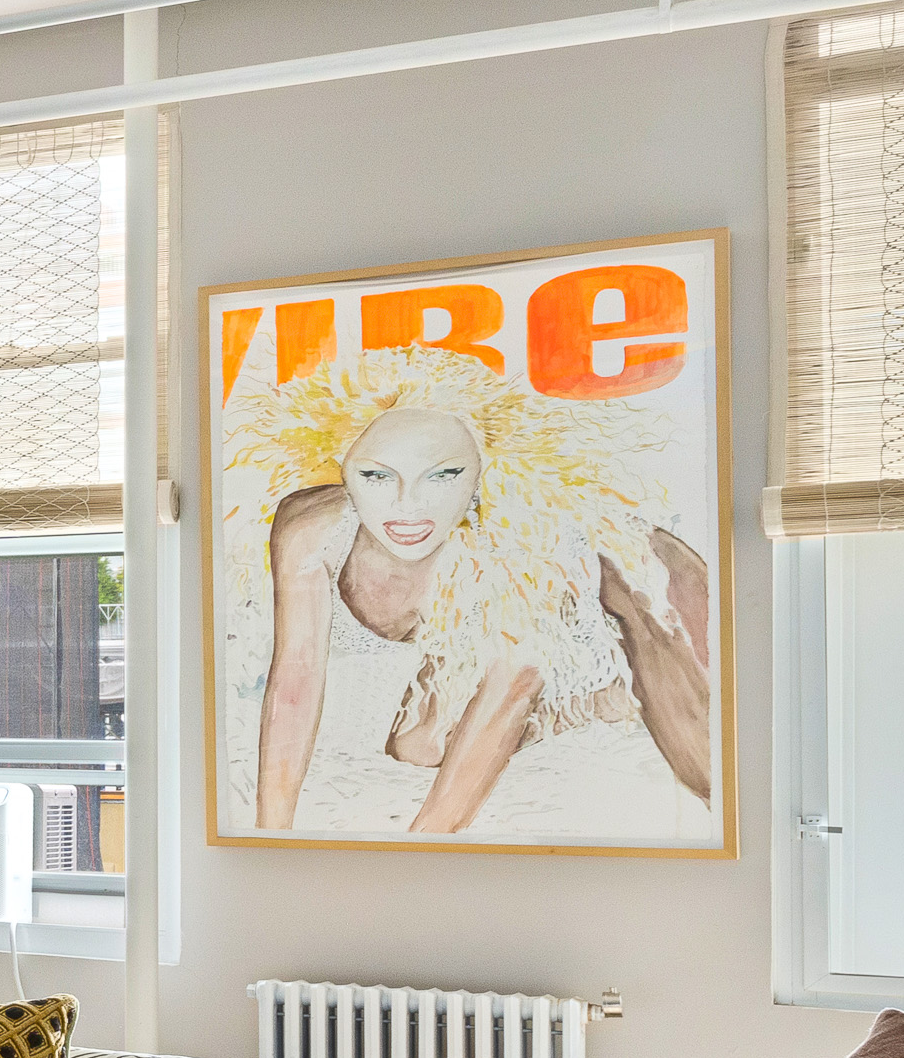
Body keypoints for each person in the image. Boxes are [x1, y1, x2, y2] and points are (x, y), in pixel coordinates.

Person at [233, 345, 710, 841]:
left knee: (707, 768)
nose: (408, 506)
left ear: (484, 471)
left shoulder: (519, 536)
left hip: (639, 582)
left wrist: (416, 855)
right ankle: (594, 700)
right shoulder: (309, 529)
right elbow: (296, 679)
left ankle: (613, 682)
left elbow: (509, 689)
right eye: (376, 475)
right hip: (514, 616)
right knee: (419, 747)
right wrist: (272, 838)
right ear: (341, 467)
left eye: (444, 474)